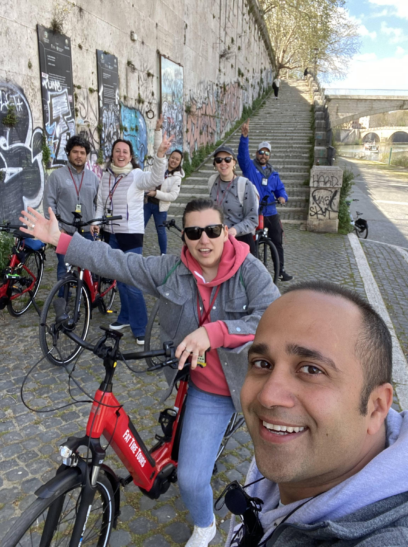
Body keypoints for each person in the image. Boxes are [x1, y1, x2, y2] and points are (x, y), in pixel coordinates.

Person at [21, 198, 280, 547]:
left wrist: (214, 333)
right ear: (184, 237)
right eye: (194, 232)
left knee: (278, 458)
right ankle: (206, 526)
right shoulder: (173, 268)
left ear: (226, 232)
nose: (204, 240)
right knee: (190, 479)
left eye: (212, 231)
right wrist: (61, 240)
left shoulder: (250, 271)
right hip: (208, 388)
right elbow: (121, 263)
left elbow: (273, 317)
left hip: (250, 380)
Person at [226, 281, 408, 546]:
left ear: (376, 406)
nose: (268, 396)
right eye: (262, 364)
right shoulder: (307, 459)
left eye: (311, 370)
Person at [90, 135, 171, 345]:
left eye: (125, 152)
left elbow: (154, 179)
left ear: (130, 156)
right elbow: (100, 202)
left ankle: (140, 326)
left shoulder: (136, 176)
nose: (121, 155)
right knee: (120, 280)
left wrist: (160, 154)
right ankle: (125, 317)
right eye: (117, 151)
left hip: (131, 234)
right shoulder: (105, 175)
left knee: (133, 282)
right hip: (110, 234)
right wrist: (97, 222)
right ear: (112, 154)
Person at [238, 119, 293, 281]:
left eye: (266, 153)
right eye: (261, 152)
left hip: (270, 211)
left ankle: (280, 270)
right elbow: (241, 156)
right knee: (250, 242)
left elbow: (280, 189)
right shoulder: (249, 167)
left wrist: (283, 197)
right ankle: (250, 272)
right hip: (253, 211)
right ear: (257, 154)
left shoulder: (274, 174)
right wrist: (244, 137)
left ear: (269, 155)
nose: (263, 155)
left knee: (277, 241)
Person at [43, 135, 99, 282]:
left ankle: (88, 300)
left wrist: (96, 223)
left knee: (88, 268)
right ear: (68, 153)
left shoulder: (93, 178)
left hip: (87, 232)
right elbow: (49, 203)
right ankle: (63, 300)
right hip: (65, 231)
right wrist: (57, 227)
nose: (79, 156)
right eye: (75, 152)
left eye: (82, 153)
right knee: (64, 267)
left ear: (87, 155)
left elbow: (99, 203)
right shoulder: (56, 176)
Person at [208, 145, 258, 255]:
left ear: (234, 162)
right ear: (215, 164)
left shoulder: (245, 185)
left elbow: (252, 219)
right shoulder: (212, 182)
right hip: (218, 241)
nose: (223, 163)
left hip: (241, 241)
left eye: (227, 159)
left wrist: (234, 230)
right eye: (218, 160)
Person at [144, 115, 183, 254]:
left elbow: (173, 196)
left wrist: (156, 193)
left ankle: (163, 254)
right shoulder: (162, 164)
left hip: (160, 207)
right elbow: (157, 148)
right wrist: (158, 128)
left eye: (177, 160)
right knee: (139, 227)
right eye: (172, 157)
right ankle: (135, 250)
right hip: (148, 202)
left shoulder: (177, 178)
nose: (173, 161)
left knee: (161, 231)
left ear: (179, 162)